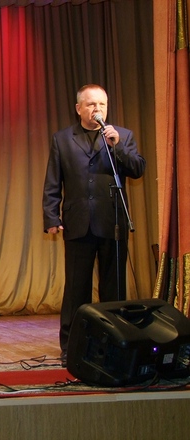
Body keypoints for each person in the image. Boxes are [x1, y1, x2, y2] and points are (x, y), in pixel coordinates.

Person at [42, 84, 146, 367]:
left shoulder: (122, 136)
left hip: (113, 223)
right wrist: (51, 217)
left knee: (114, 290)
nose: (97, 109)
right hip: (78, 223)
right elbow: (53, 181)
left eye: (101, 104)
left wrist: (117, 147)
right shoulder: (63, 139)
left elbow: (137, 169)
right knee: (77, 290)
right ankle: (72, 347)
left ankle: (115, 345)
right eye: (91, 104)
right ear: (79, 109)